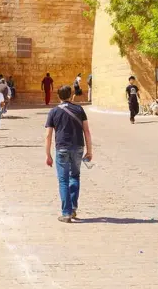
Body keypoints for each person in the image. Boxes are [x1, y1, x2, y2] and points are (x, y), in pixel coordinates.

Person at [44, 85, 93, 223]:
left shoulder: (53, 112)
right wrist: (89, 151)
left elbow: (48, 135)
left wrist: (48, 155)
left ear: (58, 96)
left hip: (62, 148)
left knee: (63, 180)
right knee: (75, 176)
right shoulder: (79, 109)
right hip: (78, 147)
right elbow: (87, 131)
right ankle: (73, 208)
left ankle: (66, 213)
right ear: (71, 95)